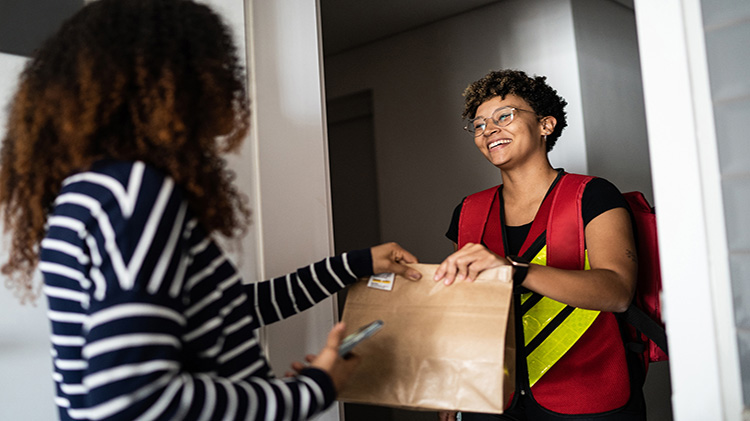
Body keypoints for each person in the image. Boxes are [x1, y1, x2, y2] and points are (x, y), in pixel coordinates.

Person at [0, 0, 423, 420]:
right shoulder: (135, 192)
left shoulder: (91, 191)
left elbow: (223, 310)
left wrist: (356, 263)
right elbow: (132, 401)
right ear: (168, 78)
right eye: (214, 64)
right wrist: (313, 390)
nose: (229, 80)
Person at [433, 70, 645, 420]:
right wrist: (453, 384)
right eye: (480, 124)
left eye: (505, 116)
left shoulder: (591, 195)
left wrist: (515, 270)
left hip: (586, 395)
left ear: (546, 125)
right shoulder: (469, 210)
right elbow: (466, 307)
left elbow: (618, 290)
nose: (489, 130)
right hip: (490, 397)